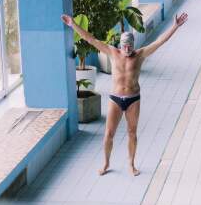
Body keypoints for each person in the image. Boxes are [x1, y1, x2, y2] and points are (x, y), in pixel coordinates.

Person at [61, 12, 188, 176]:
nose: (127, 49)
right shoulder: (112, 52)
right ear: (120, 45)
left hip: (133, 99)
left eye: (130, 45)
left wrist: (174, 27)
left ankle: (131, 163)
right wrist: (73, 24)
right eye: (124, 46)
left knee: (132, 132)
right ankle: (106, 163)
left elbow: (159, 41)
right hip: (115, 98)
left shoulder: (140, 54)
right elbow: (90, 39)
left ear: (133, 44)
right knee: (108, 134)